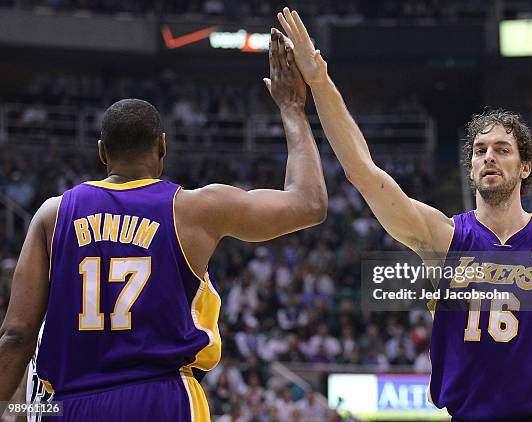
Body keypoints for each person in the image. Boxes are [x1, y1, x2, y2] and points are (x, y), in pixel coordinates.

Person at [275, 7, 532, 421]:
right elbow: (362, 172)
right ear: (470, 168)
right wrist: (319, 80)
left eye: (503, 150)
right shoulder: (443, 239)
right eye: (480, 151)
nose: (489, 157)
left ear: (525, 168)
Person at [0, 29, 327, 421]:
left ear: (102, 152)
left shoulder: (52, 215)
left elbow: (17, 336)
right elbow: (309, 203)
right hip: (163, 399)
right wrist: (292, 107)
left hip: (70, 404)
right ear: (162, 146)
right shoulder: (195, 209)